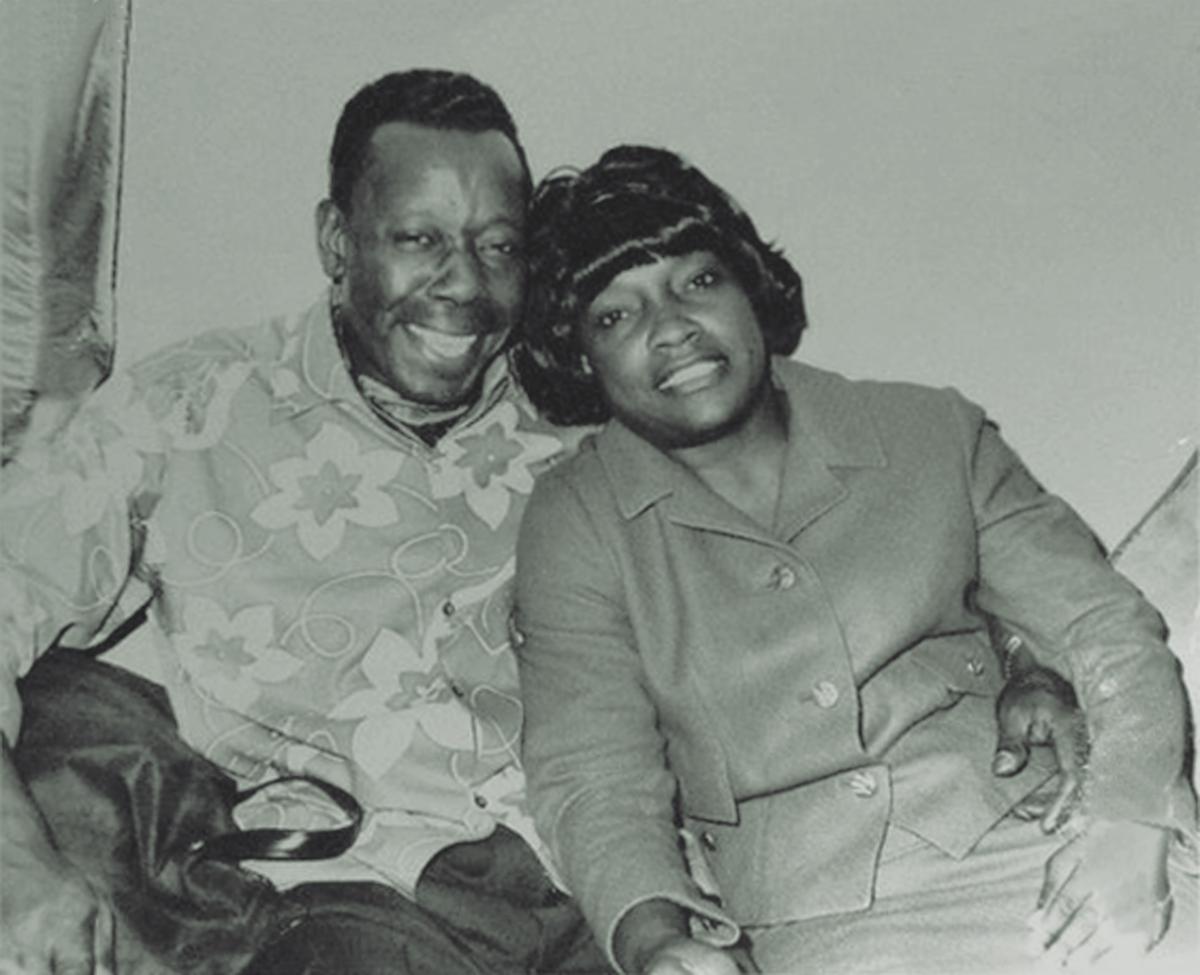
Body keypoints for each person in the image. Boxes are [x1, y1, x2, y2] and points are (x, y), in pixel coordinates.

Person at [0, 72, 1084, 975]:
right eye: (417, 240)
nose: (460, 287)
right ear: (337, 241)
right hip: (371, 900)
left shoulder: (597, 399)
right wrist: (19, 869)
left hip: (636, 890)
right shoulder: (184, 409)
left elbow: (869, 507)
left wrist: (1028, 653)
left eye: (498, 248)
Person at [511, 145, 1198, 975]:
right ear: (581, 357)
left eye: (697, 281)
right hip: (827, 923)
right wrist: (656, 940)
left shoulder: (930, 430)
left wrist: (1128, 820)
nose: (671, 327)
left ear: (749, 290)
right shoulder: (574, 523)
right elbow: (595, 774)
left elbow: (1102, 626)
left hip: (1042, 838)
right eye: (615, 315)